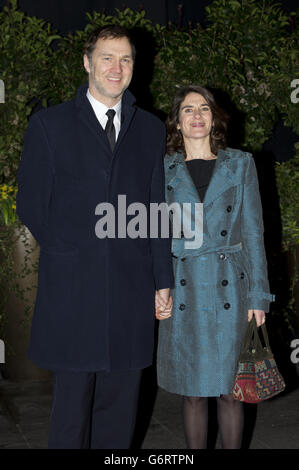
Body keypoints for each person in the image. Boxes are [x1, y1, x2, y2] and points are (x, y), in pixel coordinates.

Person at [17, 25, 174, 449]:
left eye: (125, 59)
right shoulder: (49, 125)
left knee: (121, 410)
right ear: (87, 62)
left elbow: (155, 209)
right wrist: (68, 250)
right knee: (70, 412)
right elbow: (31, 204)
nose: (116, 67)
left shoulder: (149, 129)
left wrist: (162, 279)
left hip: (131, 289)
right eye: (107, 57)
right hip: (73, 290)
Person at [156, 85, 275, 449]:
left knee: (231, 391)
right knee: (192, 393)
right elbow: (154, 236)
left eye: (204, 109)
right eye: (188, 110)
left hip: (231, 291)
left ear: (214, 118)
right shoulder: (162, 169)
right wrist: (157, 286)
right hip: (183, 285)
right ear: (176, 121)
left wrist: (259, 296)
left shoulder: (240, 163)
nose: (196, 116)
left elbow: (255, 233)